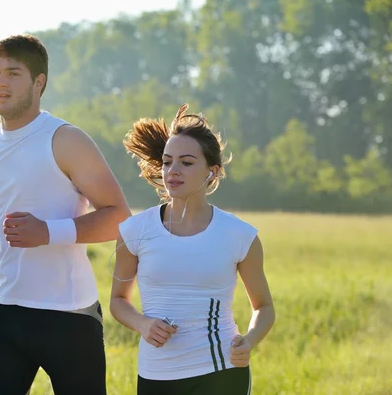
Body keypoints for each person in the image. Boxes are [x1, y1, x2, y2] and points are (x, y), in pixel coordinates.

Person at [0, 34, 131, 395]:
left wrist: (48, 232)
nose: (1, 83)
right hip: (5, 311)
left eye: (13, 73)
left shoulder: (66, 140)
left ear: (39, 82)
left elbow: (119, 216)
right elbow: (3, 217)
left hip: (68, 316)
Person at [109, 104, 275, 394]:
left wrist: (249, 340)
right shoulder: (134, 231)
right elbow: (118, 302)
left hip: (221, 370)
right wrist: (143, 324)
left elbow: (264, 307)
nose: (173, 171)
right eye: (167, 162)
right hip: (156, 373)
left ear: (212, 172)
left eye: (186, 163)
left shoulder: (239, 235)